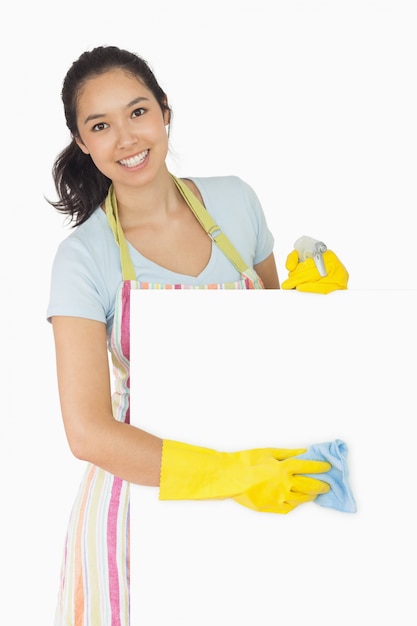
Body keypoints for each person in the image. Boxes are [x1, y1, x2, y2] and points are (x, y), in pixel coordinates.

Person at [47, 45, 348, 625]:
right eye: (101, 126)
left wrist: (315, 308)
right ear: (83, 143)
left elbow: (270, 347)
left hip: (255, 493)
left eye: (137, 113)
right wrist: (226, 474)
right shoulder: (83, 257)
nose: (126, 139)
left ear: (164, 112)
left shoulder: (236, 202)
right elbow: (87, 432)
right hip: (140, 504)